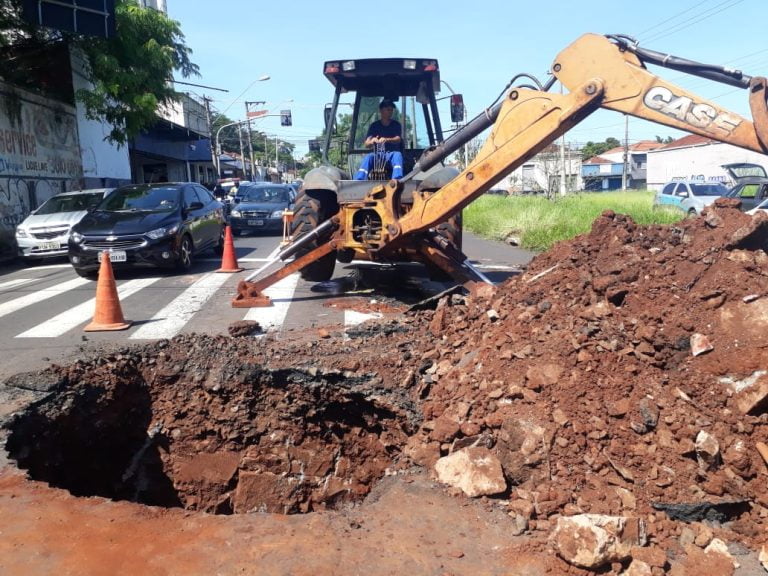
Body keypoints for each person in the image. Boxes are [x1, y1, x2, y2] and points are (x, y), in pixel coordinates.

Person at [354, 99, 404, 180]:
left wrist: (386, 139)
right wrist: (372, 141)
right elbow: (367, 144)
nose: (390, 112)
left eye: (391, 110)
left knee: (398, 155)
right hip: (378, 155)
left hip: (391, 155)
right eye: (388, 109)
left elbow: (398, 139)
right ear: (381, 110)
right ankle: (359, 181)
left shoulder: (396, 125)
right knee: (368, 157)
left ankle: (397, 180)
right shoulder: (374, 126)